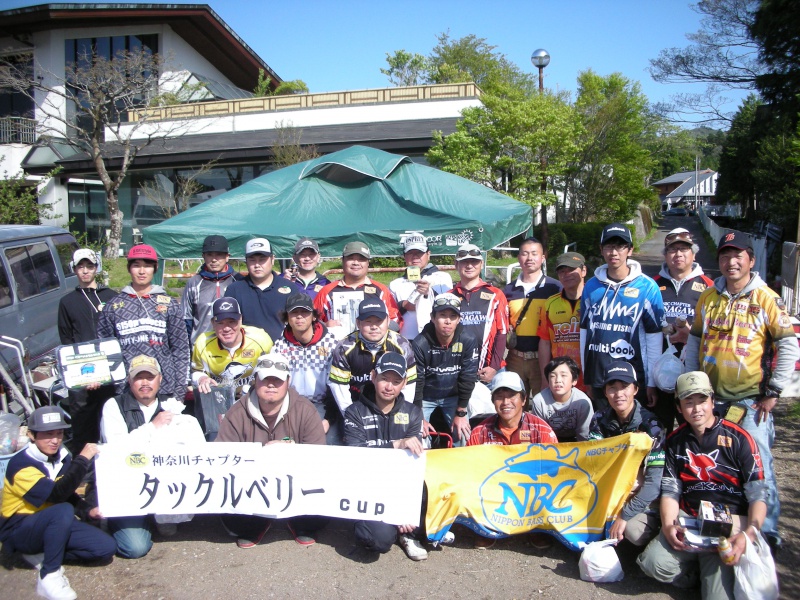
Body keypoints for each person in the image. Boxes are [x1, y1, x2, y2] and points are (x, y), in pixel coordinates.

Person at [684, 230, 799, 551]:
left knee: (759, 466)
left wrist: (774, 390)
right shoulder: (709, 297)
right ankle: (725, 522)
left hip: (751, 403)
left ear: (751, 259)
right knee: (715, 464)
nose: (730, 261)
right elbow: (694, 341)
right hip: (711, 401)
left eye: (737, 256)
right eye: (724, 255)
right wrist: (692, 383)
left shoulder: (766, 298)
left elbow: (789, 346)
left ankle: (768, 532)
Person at [637, 371, 767, 599]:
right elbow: (670, 491)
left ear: (713, 402)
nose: (696, 409)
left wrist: (750, 534)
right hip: (690, 523)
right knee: (651, 563)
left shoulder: (740, 438)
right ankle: (694, 576)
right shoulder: (675, 441)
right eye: (688, 402)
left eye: (702, 400)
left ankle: (714, 577)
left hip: (728, 528)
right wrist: (668, 526)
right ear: (678, 407)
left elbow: (757, 495)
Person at [0, 406, 116, 600]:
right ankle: (49, 574)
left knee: (105, 548)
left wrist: (88, 510)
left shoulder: (62, 456)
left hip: (53, 522)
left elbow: (68, 492)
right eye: (47, 435)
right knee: (62, 509)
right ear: (31, 435)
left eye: (59, 433)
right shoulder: (21, 465)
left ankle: (41, 551)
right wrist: (82, 460)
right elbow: (56, 494)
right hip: (19, 528)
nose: (55, 440)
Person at [215, 352, 328, 548]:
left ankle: (295, 522)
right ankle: (260, 522)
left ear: (288, 381)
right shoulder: (236, 413)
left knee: (317, 517)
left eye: (277, 380)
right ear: (255, 380)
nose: (271, 385)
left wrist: (291, 451)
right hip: (252, 484)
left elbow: (319, 458)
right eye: (265, 379)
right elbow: (222, 459)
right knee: (235, 523)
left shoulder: (305, 409)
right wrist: (260, 455)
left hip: (296, 483)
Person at [100, 354, 205, 558]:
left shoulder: (173, 405)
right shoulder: (114, 406)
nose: (145, 383)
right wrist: (152, 428)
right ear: (129, 381)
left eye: (150, 377)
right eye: (139, 378)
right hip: (128, 487)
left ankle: (163, 516)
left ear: (160, 379)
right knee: (135, 548)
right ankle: (117, 521)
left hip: (162, 483)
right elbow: (117, 450)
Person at [343, 352, 430, 561]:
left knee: (434, 504)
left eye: (396, 381)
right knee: (379, 541)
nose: (389, 387)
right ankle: (394, 527)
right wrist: (396, 445)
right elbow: (357, 457)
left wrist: (405, 508)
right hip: (367, 490)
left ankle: (408, 532)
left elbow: (412, 467)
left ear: (404, 383)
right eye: (384, 379)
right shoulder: (354, 411)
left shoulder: (413, 413)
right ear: (373, 376)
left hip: (399, 487)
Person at [468, 371, 559, 549]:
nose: (506, 402)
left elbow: (555, 466)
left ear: (524, 400)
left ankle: (538, 528)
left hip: (531, 489)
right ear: (493, 401)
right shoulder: (480, 431)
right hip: (495, 489)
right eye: (499, 397)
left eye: (512, 396)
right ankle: (486, 529)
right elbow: (470, 468)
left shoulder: (541, 429)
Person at [580, 223, 665, 410]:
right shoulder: (591, 286)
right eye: (609, 246)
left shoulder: (648, 287)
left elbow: (654, 337)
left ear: (630, 250)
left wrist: (652, 381)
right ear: (601, 250)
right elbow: (584, 332)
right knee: (605, 432)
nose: (614, 252)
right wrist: (587, 377)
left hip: (633, 379)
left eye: (620, 246)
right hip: (599, 377)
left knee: (634, 432)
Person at [588, 361, 665, 547]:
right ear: (605, 392)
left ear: (636, 389)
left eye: (625, 387)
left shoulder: (652, 426)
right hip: (607, 487)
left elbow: (654, 484)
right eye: (612, 388)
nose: (619, 394)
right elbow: (592, 464)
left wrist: (625, 515)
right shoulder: (598, 419)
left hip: (638, 493)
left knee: (633, 531)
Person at [97, 244, 190, 399]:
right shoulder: (112, 307)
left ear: (155, 268)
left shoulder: (169, 304)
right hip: (126, 390)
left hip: (165, 390)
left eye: (147, 266)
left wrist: (179, 392)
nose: (142, 271)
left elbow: (181, 349)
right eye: (136, 266)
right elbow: (104, 351)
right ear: (128, 268)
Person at [652, 228, 714, 431]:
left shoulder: (709, 287)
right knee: (660, 427)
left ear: (693, 254)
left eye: (683, 249)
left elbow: (717, 332)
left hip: (693, 369)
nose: (678, 254)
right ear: (665, 255)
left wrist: (692, 336)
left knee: (694, 427)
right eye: (672, 250)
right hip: (660, 370)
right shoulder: (652, 285)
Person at [57, 248, 117, 452]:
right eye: (80, 267)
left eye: (89, 266)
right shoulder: (67, 302)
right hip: (83, 375)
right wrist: (80, 374)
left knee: (112, 420)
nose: (85, 271)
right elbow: (66, 340)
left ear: (96, 268)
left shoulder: (111, 296)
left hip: (111, 373)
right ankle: (84, 471)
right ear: (74, 270)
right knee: (83, 425)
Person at [271, 292, 341, 444]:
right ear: (287, 318)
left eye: (304, 312)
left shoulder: (332, 344)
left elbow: (337, 387)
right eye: (294, 312)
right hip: (289, 406)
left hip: (323, 405)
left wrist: (329, 419)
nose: (299, 317)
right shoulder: (279, 347)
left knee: (327, 444)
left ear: (314, 316)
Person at [329, 298, 416, 415]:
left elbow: (409, 384)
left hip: (391, 407)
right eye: (368, 321)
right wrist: (350, 417)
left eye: (379, 321)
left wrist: (400, 414)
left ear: (388, 321)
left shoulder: (402, 345)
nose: (374, 326)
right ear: (358, 323)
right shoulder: (344, 347)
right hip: (356, 405)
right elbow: (339, 387)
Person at [411, 293, 479, 446]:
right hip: (425, 398)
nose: (447, 321)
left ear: (459, 319)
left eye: (453, 316)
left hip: (453, 397)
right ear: (433, 317)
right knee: (417, 435)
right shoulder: (419, 343)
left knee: (464, 434)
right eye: (442, 315)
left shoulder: (468, 339)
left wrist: (461, 412)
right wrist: (419, 417)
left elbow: (468, 377)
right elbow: (417, 381)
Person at [503, 237, 561, 399]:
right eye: (525, 254)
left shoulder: (555, 288)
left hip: (543, 360)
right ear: (518, 258)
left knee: (543, 403)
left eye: (534, 254)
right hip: (515, 359)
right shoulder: (508, 291)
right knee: (513, 403)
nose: (529, 258)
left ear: (543, 258)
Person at [450, 243, 509, 387]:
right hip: (459, 371)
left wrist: (494, 367)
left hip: (490, 371)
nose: (469, 266)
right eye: (464, 262)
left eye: (474, 261)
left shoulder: (496, 294)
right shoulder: (449, 297)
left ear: (481, 264)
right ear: (456, 264)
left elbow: (502, 333)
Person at [191, 297, 274, 397]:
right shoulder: (202, 342)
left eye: (232, 321)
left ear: (240, 320)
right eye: (220, 323)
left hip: (253, 396)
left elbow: (273, 370)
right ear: (213, 323)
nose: (226, 328)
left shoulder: (261, 339)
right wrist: (202, 379)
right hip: (218, 397)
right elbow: (196, 371)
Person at [314, 241, 401, 333]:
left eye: (361, 259)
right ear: (343, 261)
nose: (356, 263)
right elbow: (311, 321)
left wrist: (378, 327)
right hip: (337, 345)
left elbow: (396, 321)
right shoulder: (326, 291)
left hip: (373, 346)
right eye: (351, 258)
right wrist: (325, 326)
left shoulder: (381, 290)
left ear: (368, 263)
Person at [226, 238, 302, 342]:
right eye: (252, 260)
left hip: (281, 350)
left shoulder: (290, 288)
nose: (257, 265)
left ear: (273, 259)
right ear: (246, 261)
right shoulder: (234, 289)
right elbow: (227, 324)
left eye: (262, 259)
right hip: (245, 352)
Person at [537, 251, 587, 392]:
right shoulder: (550, 304)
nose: (566, 274)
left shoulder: (597, 300)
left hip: (589, 377)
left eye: (571, 269)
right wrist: (544, 378)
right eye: (562, 271)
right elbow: (545, 342)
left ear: (584, 271)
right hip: (560, 378)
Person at [389, 233, 453, 340]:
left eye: (420, 252)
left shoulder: (443, 278)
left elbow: (449, 308)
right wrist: (404, 305)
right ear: (404, 256)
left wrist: (429, 294)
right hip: (405, 340)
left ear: (428, 254)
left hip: (436, 339)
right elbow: (390, 313)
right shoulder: (395, 284)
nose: (415, 256)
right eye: (410, 252)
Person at [182, 235, 241, 344]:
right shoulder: (194, 282)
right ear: (203, 256)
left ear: (227, 256)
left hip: (233, 347)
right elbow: (186, 320)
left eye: (219, 254)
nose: (214, 260)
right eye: (209, 255)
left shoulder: (239, 281)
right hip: (202, 347)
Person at [531, 356, 593, 442]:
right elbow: (539, 434)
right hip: (549, 443)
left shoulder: (583, 402)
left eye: (563, 375)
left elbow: (584, 434)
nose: (558, 380)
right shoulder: (539, 401)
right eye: (552, 376)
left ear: (574, 380)